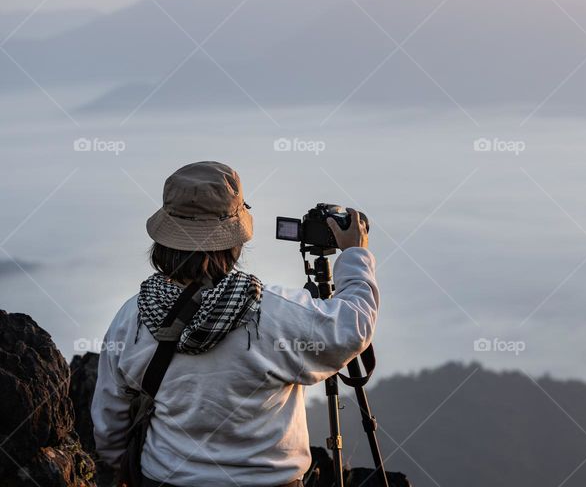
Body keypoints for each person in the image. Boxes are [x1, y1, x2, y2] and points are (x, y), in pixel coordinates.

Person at [92, 161, 378, 487]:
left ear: (165, 238)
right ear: (235, 239)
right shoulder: (275, 312)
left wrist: (121, 469)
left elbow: (109, 420)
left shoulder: (132, 318)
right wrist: (354, 255)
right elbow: (354, 328)